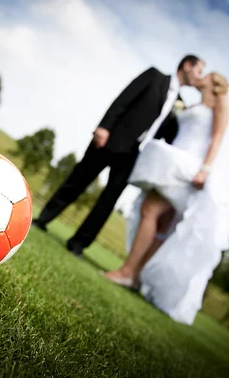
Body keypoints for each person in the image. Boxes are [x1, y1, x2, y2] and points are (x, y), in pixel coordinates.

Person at [32, 56, 205, 257]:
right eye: (198, 70)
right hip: (112, 138)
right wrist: (104, 126)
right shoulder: (155, 76)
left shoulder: (180, 104)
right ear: (187, 66)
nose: (199, 76)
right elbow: (124, 99)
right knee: (78, 181)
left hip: (135, 156)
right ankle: (43, 219)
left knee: (108, 201)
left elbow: (171, 136)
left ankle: (78, 243)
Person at [103, 72, 229, 326]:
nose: (200, 77)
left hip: (188, 168)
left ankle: (128, 271)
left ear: (214, 81)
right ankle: (138, 276)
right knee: (162, 224)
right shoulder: (193, 104)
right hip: (173, 160)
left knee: (150, 209)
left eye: (205, 74)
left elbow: (217, 137)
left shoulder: (222, 100)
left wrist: (204, 169)